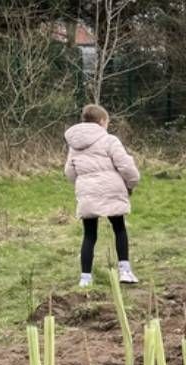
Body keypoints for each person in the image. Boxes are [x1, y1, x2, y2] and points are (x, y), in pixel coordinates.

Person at [65, 104, 142, 287]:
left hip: (88, 193)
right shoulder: (109, 140)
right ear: (102, 121)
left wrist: (83, 183)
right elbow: (125, 165)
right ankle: (125, 270)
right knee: (119, 228)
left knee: (89, 234)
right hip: (112, 190)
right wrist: (131, 183)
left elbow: (69, 171)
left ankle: (85, 278)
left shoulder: (74, 146)